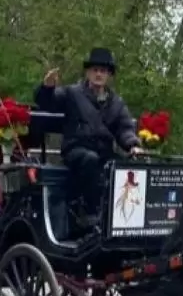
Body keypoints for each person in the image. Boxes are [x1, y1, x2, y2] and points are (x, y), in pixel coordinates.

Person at [33, 47, 144, 228]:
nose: (99, 74)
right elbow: (47, 102)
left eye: (103, 71)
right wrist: (47, 88)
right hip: (76, 149)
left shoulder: (116, 102)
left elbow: (124, 127)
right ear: (88, 72)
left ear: (108, 75)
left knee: (125, 166)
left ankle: (124, 216)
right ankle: (91, 213)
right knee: (90, 159)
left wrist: (133, 145)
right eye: (95, 70)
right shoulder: (72, 93)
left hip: (103, 152)